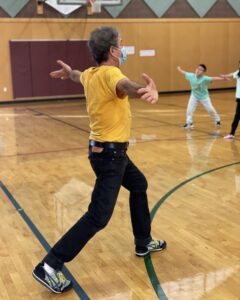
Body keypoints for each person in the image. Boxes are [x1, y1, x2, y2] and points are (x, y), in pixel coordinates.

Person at [32, 26, 167, 294]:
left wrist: (68, 72)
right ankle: (49, 265)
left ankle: (143, 241)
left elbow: (77, 75)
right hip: (111, 156)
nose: (124, 48)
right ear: (113, 51)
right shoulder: (111, 73)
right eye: (122, 44)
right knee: (98, 217)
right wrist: (144, 90)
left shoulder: (91, 74)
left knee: (139, 185)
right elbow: (125, 86)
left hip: (108, 153)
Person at [177, 65, 226, 129]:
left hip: (204, 97)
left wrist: (223, 78)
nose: (198, 70)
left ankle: (217, 120)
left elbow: (214, 78)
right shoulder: (191, 76)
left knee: (210, 109)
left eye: (200, 69)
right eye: (197, 68)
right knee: (189, 110)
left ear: (203, 72)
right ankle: (189, 123)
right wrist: (179, 69)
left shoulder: (205, 78)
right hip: (194, 95)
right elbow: (184, 72)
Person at [221, 62, 240, 140]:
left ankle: (231, 133)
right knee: (237, 116)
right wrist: (225, 76)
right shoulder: (238, 72)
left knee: (237, 116)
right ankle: (231, 133)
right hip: (239, 98)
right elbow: (232, 74)